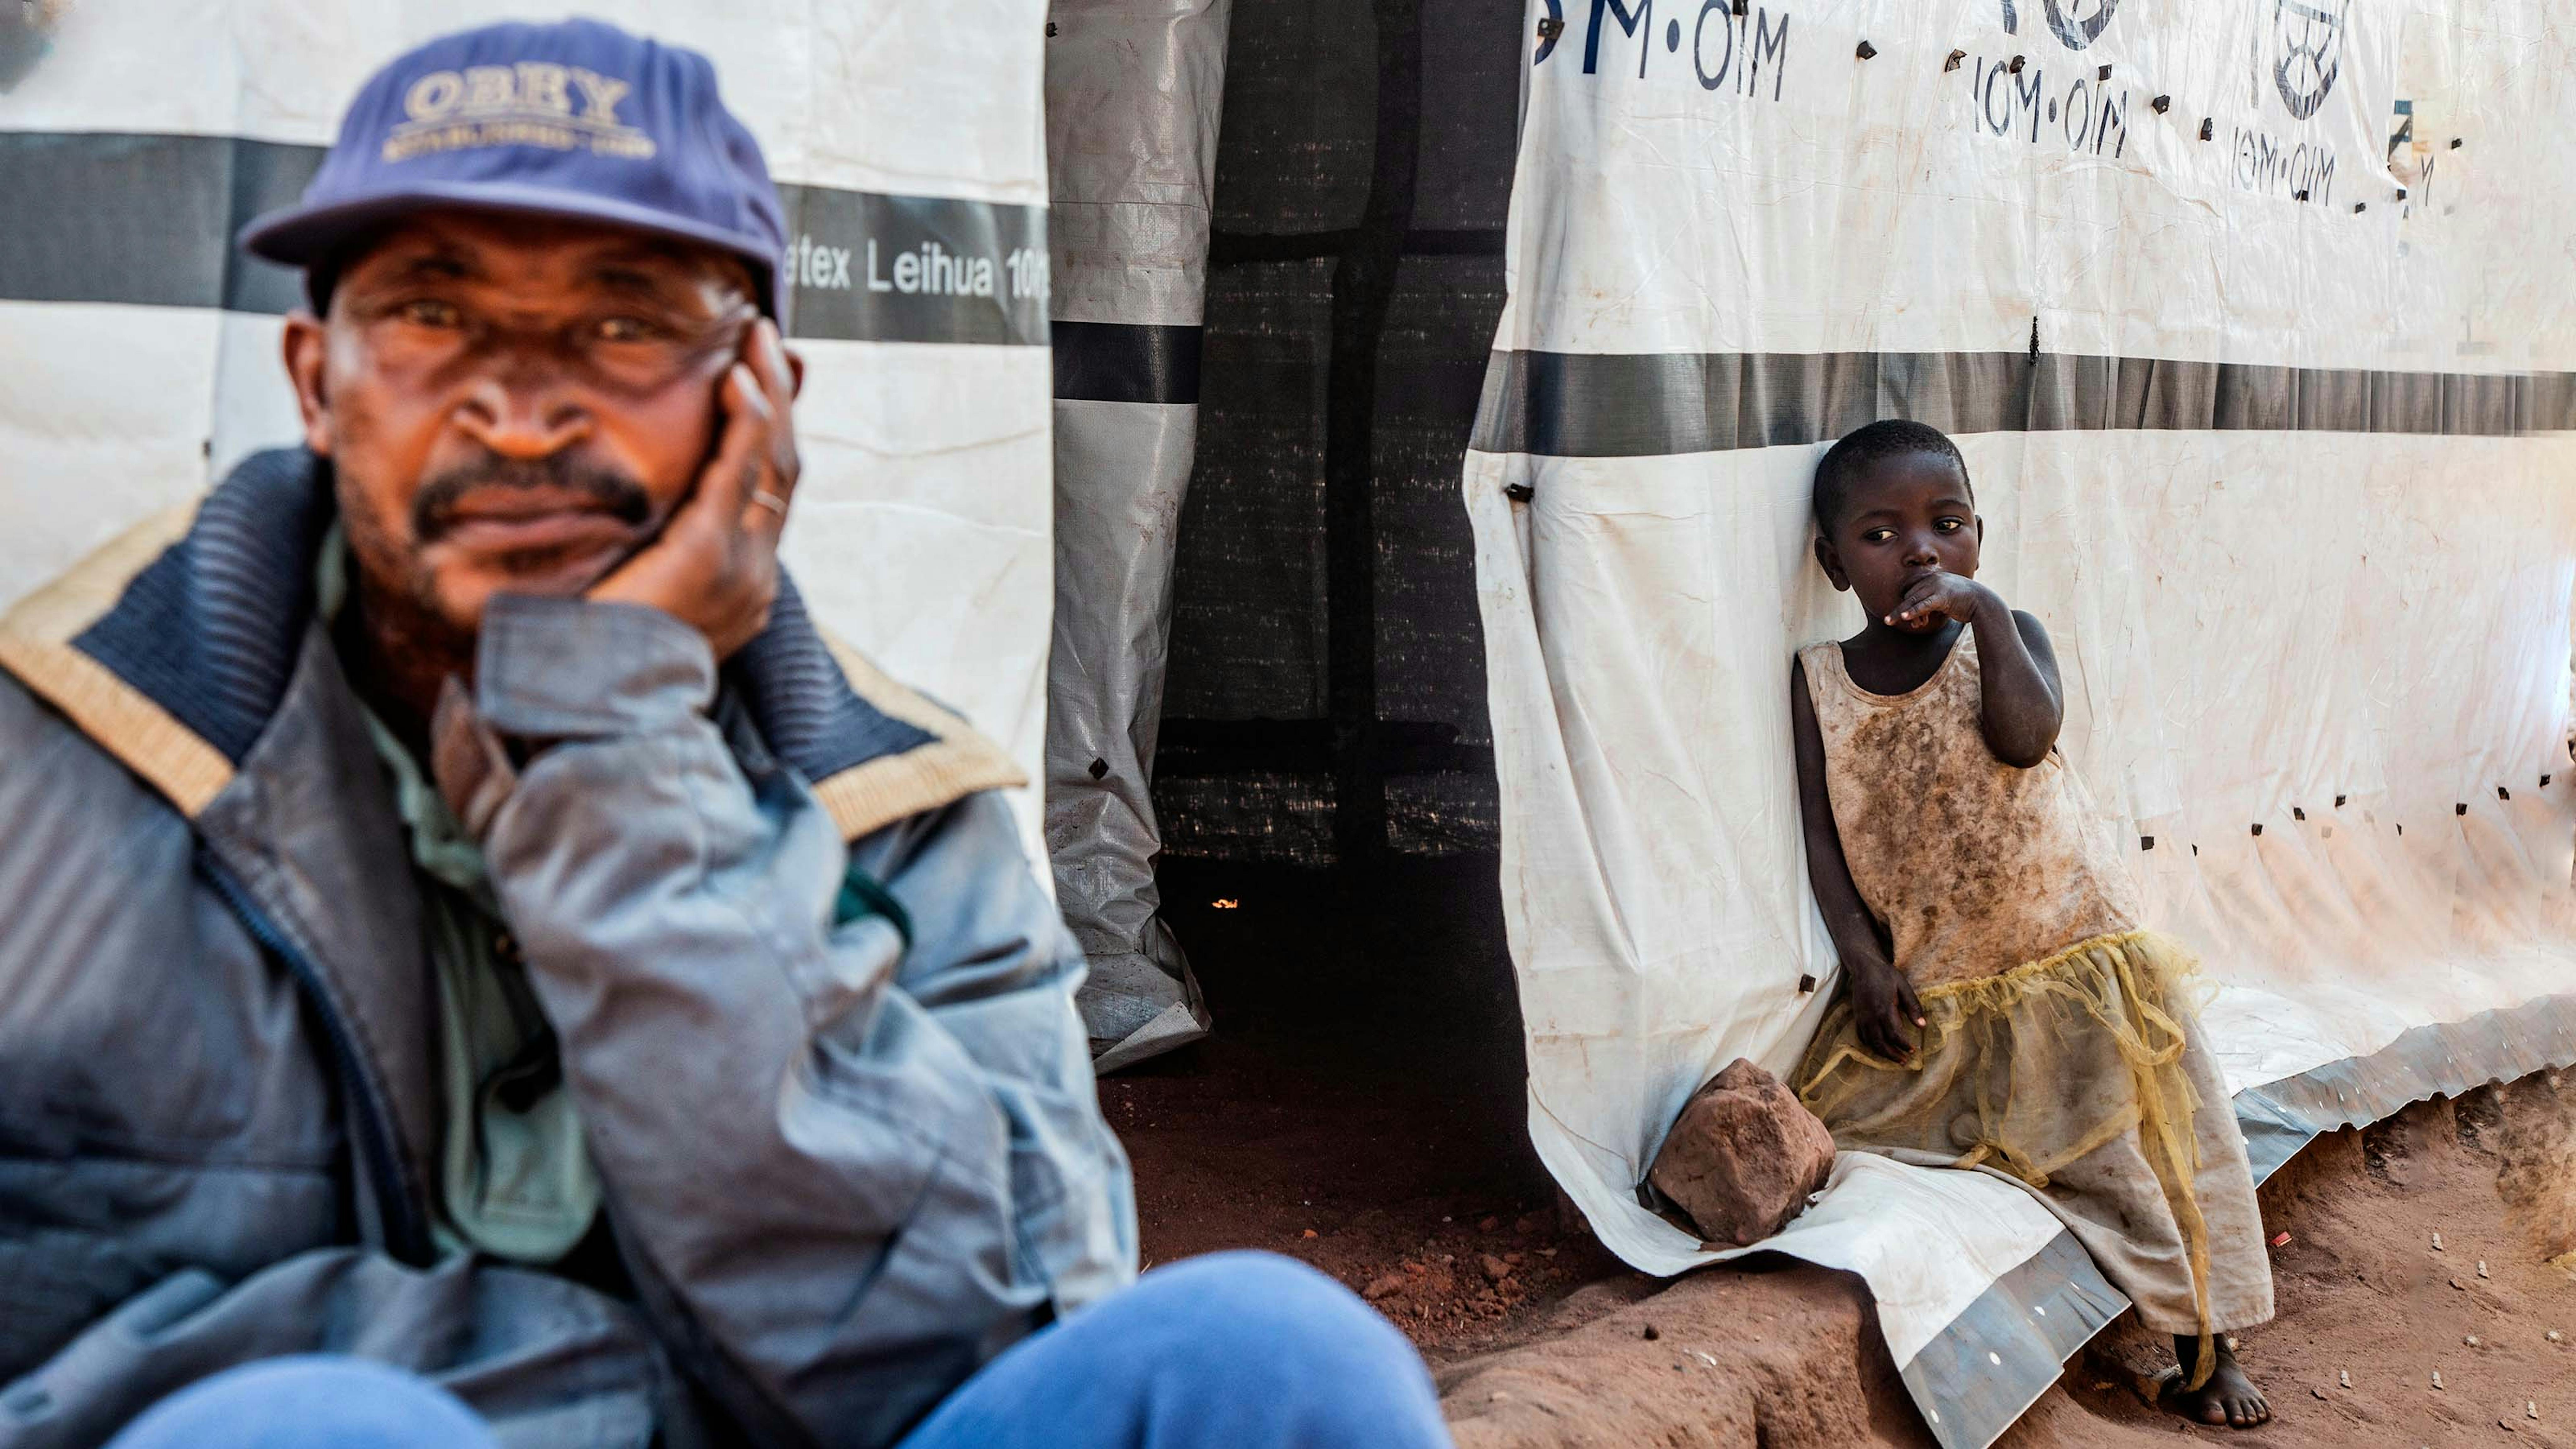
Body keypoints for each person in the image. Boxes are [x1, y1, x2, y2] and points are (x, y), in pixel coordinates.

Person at [0, 19, 1450, 1449]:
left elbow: (980, 1330)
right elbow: (56, 1368)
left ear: (760, 405)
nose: (516, 414)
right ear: (320, 381)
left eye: (625, 324)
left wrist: (616, 756)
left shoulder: (897, 803)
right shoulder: (70, 764)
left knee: (1267, 1365)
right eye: (435, 316)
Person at [1785, 420, 2275, 1429]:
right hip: (1947, 984)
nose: (1921, 551)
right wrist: (1864, 962)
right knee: (1873, 1140)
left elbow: (2025, 738)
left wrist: (1989, 616)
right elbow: (1823, 842)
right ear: (1836, 565)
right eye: (1881, 536)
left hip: (2073, 965)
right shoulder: (1821, 686)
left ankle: (2204, 1347)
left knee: (2155, 1158)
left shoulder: (2010, 642)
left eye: (1947, 526)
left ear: (1979, 542)